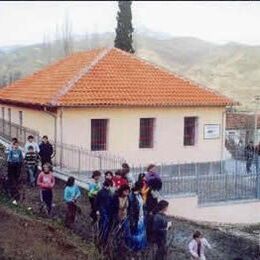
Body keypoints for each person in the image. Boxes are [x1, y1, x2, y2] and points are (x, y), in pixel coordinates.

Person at [126, 182, 147, 252]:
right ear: (140, 188)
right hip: (135, 218)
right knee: (136, 234)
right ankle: (135, 249)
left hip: (141, 216)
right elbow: (131, 210)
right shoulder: (131, 196)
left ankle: (140, 248)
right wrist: (132, 221)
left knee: (141, 233)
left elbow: (142, 205)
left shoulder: (139, 195)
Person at [95, 179, 114, 246]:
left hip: (108, 211)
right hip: (103, 210)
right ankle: (101, 239)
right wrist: (97, 210)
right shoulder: (101, 192)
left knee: (106, 226)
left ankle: (104, 240)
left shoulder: (110, 192)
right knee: (103, 225)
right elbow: (97, 202)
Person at [7, 140, 23, 204]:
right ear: (13, 145)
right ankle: (12, 184)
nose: (16, 146)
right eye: (15, 145)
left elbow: (21, 157)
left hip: (17, 164)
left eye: (17, 145)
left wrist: (20, 162)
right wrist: (10, 162)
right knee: (11, 175)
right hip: (12, 164)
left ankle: (16, 182)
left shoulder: (19, 151)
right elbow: (9, 158)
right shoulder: (11, 151)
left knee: (17, 174)